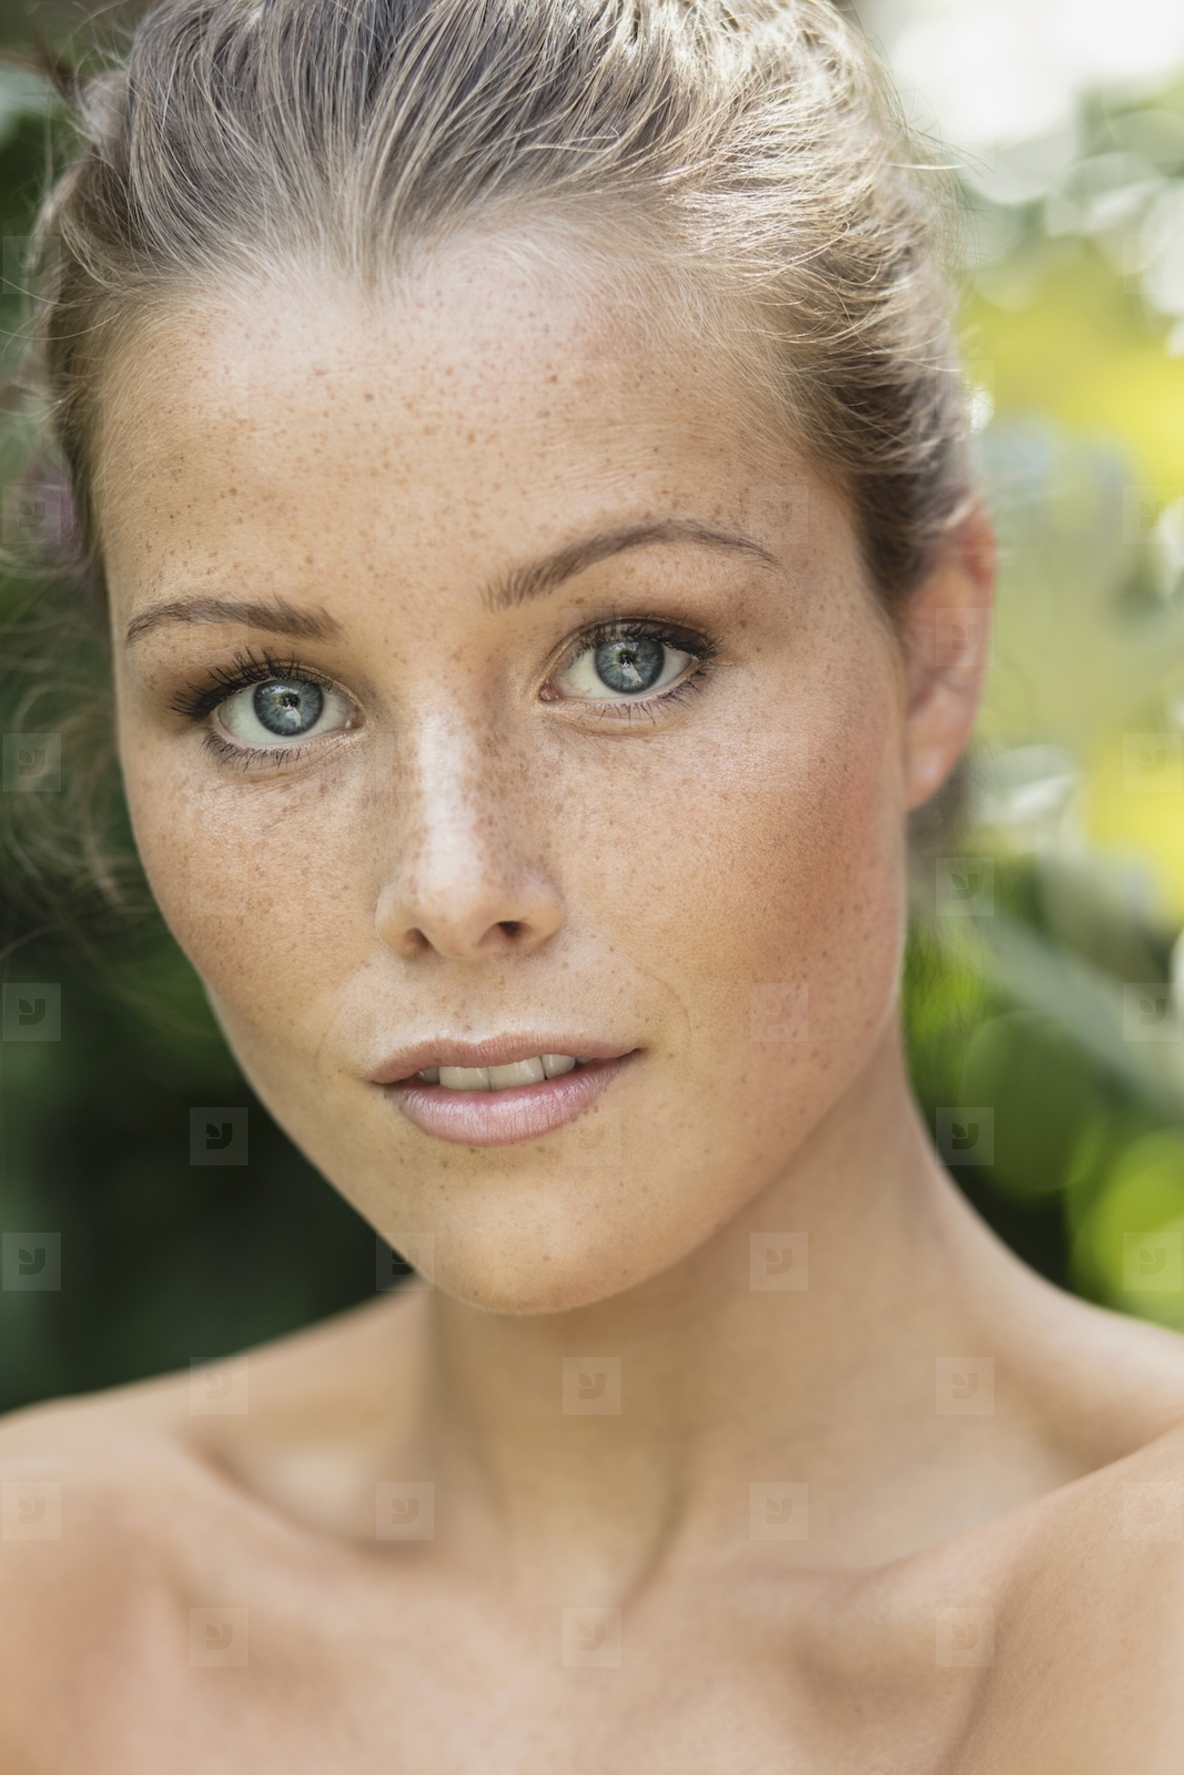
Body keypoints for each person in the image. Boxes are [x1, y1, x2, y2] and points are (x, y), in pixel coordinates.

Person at [1, 0, 1182, 1766]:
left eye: (629, 655)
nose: (457, 884)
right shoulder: (49, 1595)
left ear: (934, 651)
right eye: (275, 702)